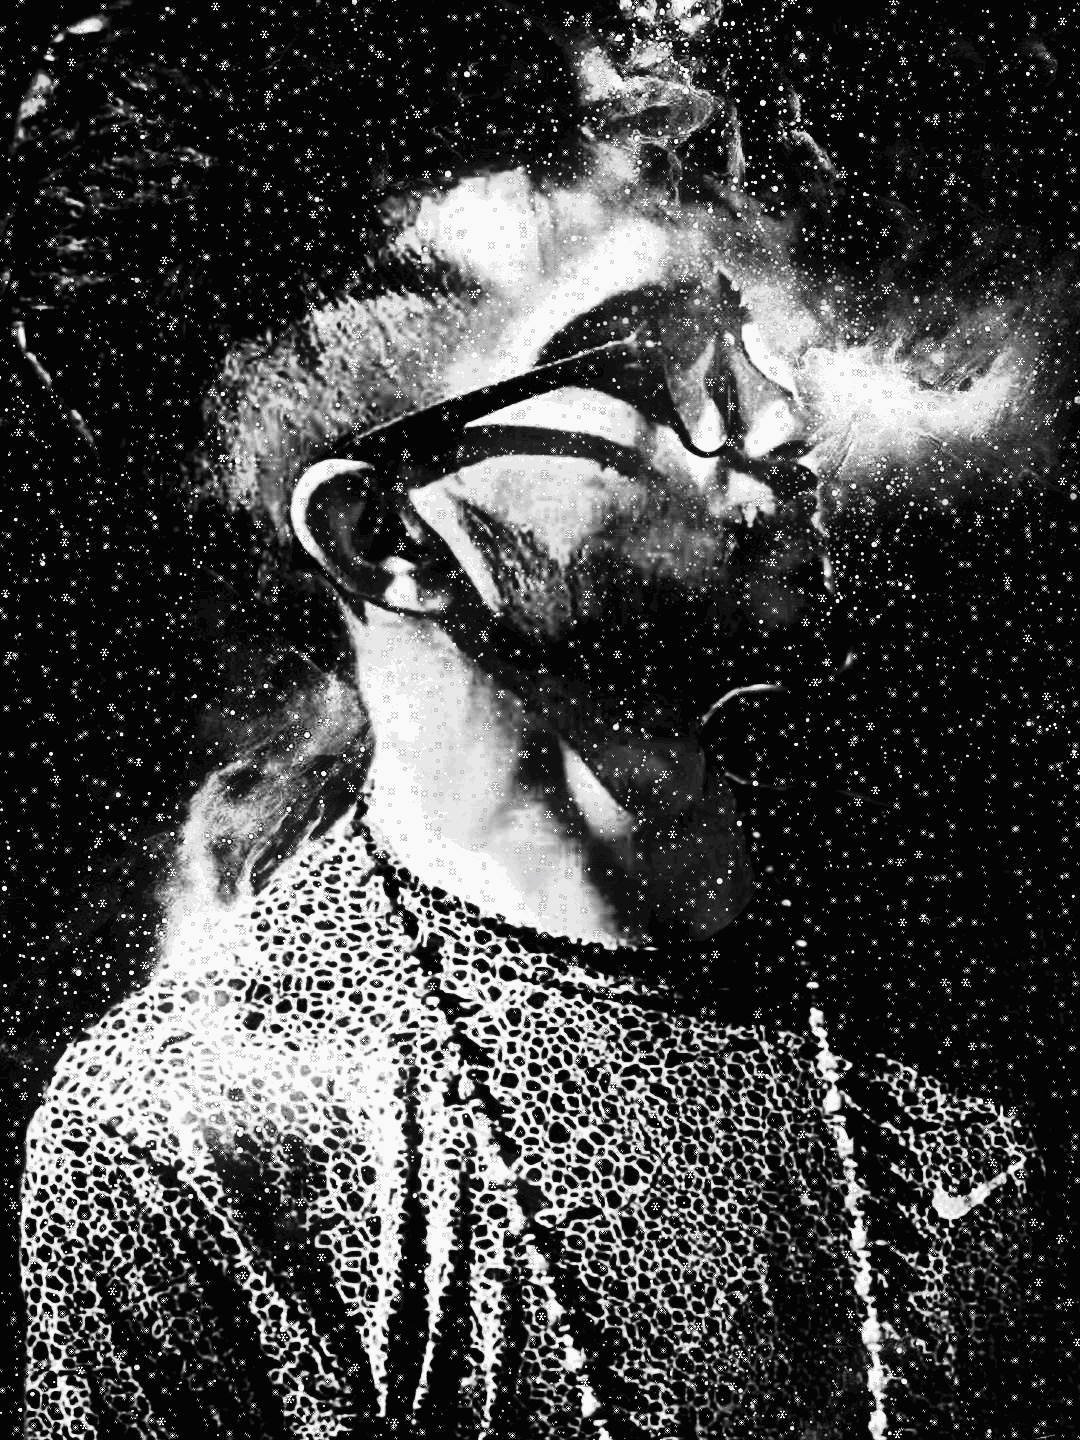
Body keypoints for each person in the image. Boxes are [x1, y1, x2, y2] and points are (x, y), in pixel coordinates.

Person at [14, 4, 1051, 1436]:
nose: (775, 416)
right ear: (388, 539)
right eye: (645, 365)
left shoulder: (982, 918)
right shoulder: (200, 1137)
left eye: (732, 329)